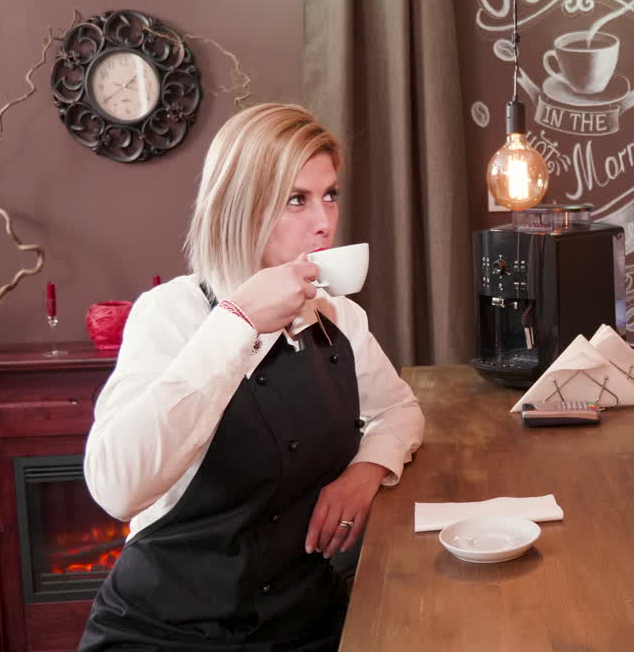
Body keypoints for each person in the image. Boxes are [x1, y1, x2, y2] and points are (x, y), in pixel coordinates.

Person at [79, 103, 425, 651]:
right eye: (297, 199)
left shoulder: (337, 317)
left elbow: (400, 411)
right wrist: (237, 323)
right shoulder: (170, 313)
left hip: (300, 622)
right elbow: (116, 487)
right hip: (169, 631)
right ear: (239, 205)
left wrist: (366, 471)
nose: (324, 221)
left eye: (329, 194)